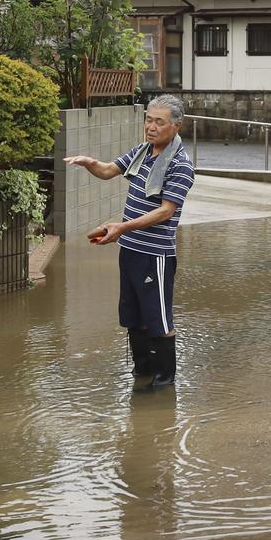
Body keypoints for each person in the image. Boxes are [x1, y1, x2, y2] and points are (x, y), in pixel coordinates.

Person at [65, 95, 195, 389]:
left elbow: (165, 212)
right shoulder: (142, 152)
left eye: (158, 122)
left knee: (159, 318)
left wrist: (121, 227)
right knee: (133, 316)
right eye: (148, 119)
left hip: (155, 255)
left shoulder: (181, 164)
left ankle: (164, 382)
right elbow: (108, 170)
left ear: (176, 127)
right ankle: (141, 374)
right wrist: (88, 163)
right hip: (131, 250)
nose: (150, 127)